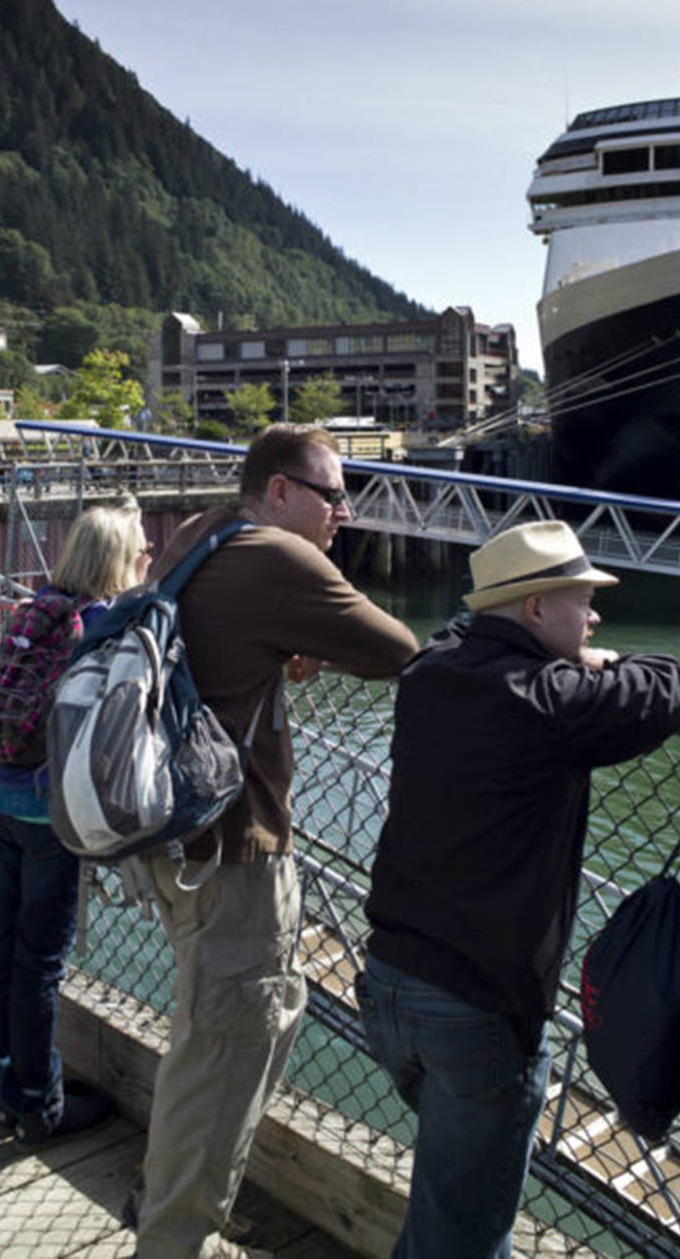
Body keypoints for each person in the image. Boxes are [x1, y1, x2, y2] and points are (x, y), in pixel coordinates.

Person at [361, 520, 680, 1259]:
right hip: (476, 1010)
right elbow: (675, 685)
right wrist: (593, 664)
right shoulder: (549, 699)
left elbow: (466, 642)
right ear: (536, 608)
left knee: (449, 1207)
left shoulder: (433, 669)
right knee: (466, 1233)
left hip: (388, 981)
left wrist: (575, 659)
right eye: (584, 601)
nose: (596, 617)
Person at [131, 423, 419, 1259]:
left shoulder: (200, 534)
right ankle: (176, 1242)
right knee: (222, 1057)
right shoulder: (275, 556)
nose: (345, 512)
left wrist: (283, 639)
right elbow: (398, 649)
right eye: (332, 494)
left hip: (175, 833)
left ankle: (179, 1216)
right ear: (283, 491)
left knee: (218, 1039)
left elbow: (221, 645)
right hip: (232, 851)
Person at [0, 495, 149, 1144]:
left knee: (6, 948)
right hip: (48, 809)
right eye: (140, 550)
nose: (146, 558)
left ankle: (5, 1082)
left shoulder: (37, 606)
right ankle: (39, 1104)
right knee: (41, 960)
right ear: (119, 559)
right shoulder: (103, 622)